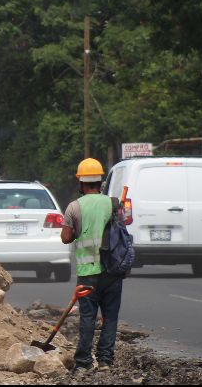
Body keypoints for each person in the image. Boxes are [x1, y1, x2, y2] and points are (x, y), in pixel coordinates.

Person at [61, 157, 123, 372]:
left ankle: (83, 362)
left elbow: (66, 238)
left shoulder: (74, 207)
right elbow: (122, 233)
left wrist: (79, 227)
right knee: (110, 317)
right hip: (113, 271)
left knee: (88, 318)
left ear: (81, 182)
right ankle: (105, 360)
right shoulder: (114, 203)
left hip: (88, 273)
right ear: (100, 182)